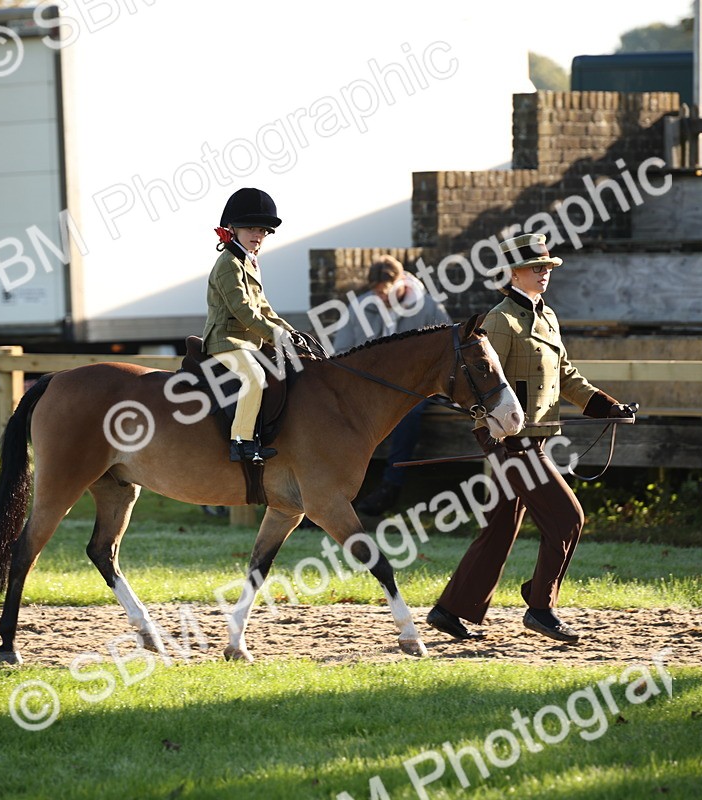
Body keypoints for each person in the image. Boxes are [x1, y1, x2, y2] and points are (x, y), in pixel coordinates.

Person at [426, 233, 634, 645]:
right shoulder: (499, 321)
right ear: (512, 274)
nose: (543, 274)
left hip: (534, 439)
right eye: (535, 268)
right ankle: (540, 607)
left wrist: (607, 406)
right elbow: (483, 385)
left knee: (501, 526)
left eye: (547, 267)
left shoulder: (547, 316)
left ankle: (450, 609)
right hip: (511, 441)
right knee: (568, 518)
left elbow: (566, 375)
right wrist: (498, 440)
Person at [330, 255, 452, 515]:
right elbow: (342, 352)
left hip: (415, 388)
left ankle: (391, 486)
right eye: (377, 293)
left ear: (401, 281)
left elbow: (446, 350)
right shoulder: (360, 307)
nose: (382, 298)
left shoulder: (427, 307)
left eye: (386, 291)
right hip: (369, 389)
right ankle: (330, 496)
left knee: (409, 414)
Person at [203, 187, 301, 464]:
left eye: (262, 231)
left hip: (248, 342)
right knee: (255, 377)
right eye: (250, 229)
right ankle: (241, 441)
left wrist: (291, 332)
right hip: (226, 340)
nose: (257, 235)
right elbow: (244, 311)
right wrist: (275, 335)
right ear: (232, 229)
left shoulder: (249, 262)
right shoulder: (228, 264)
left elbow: (264, 307)